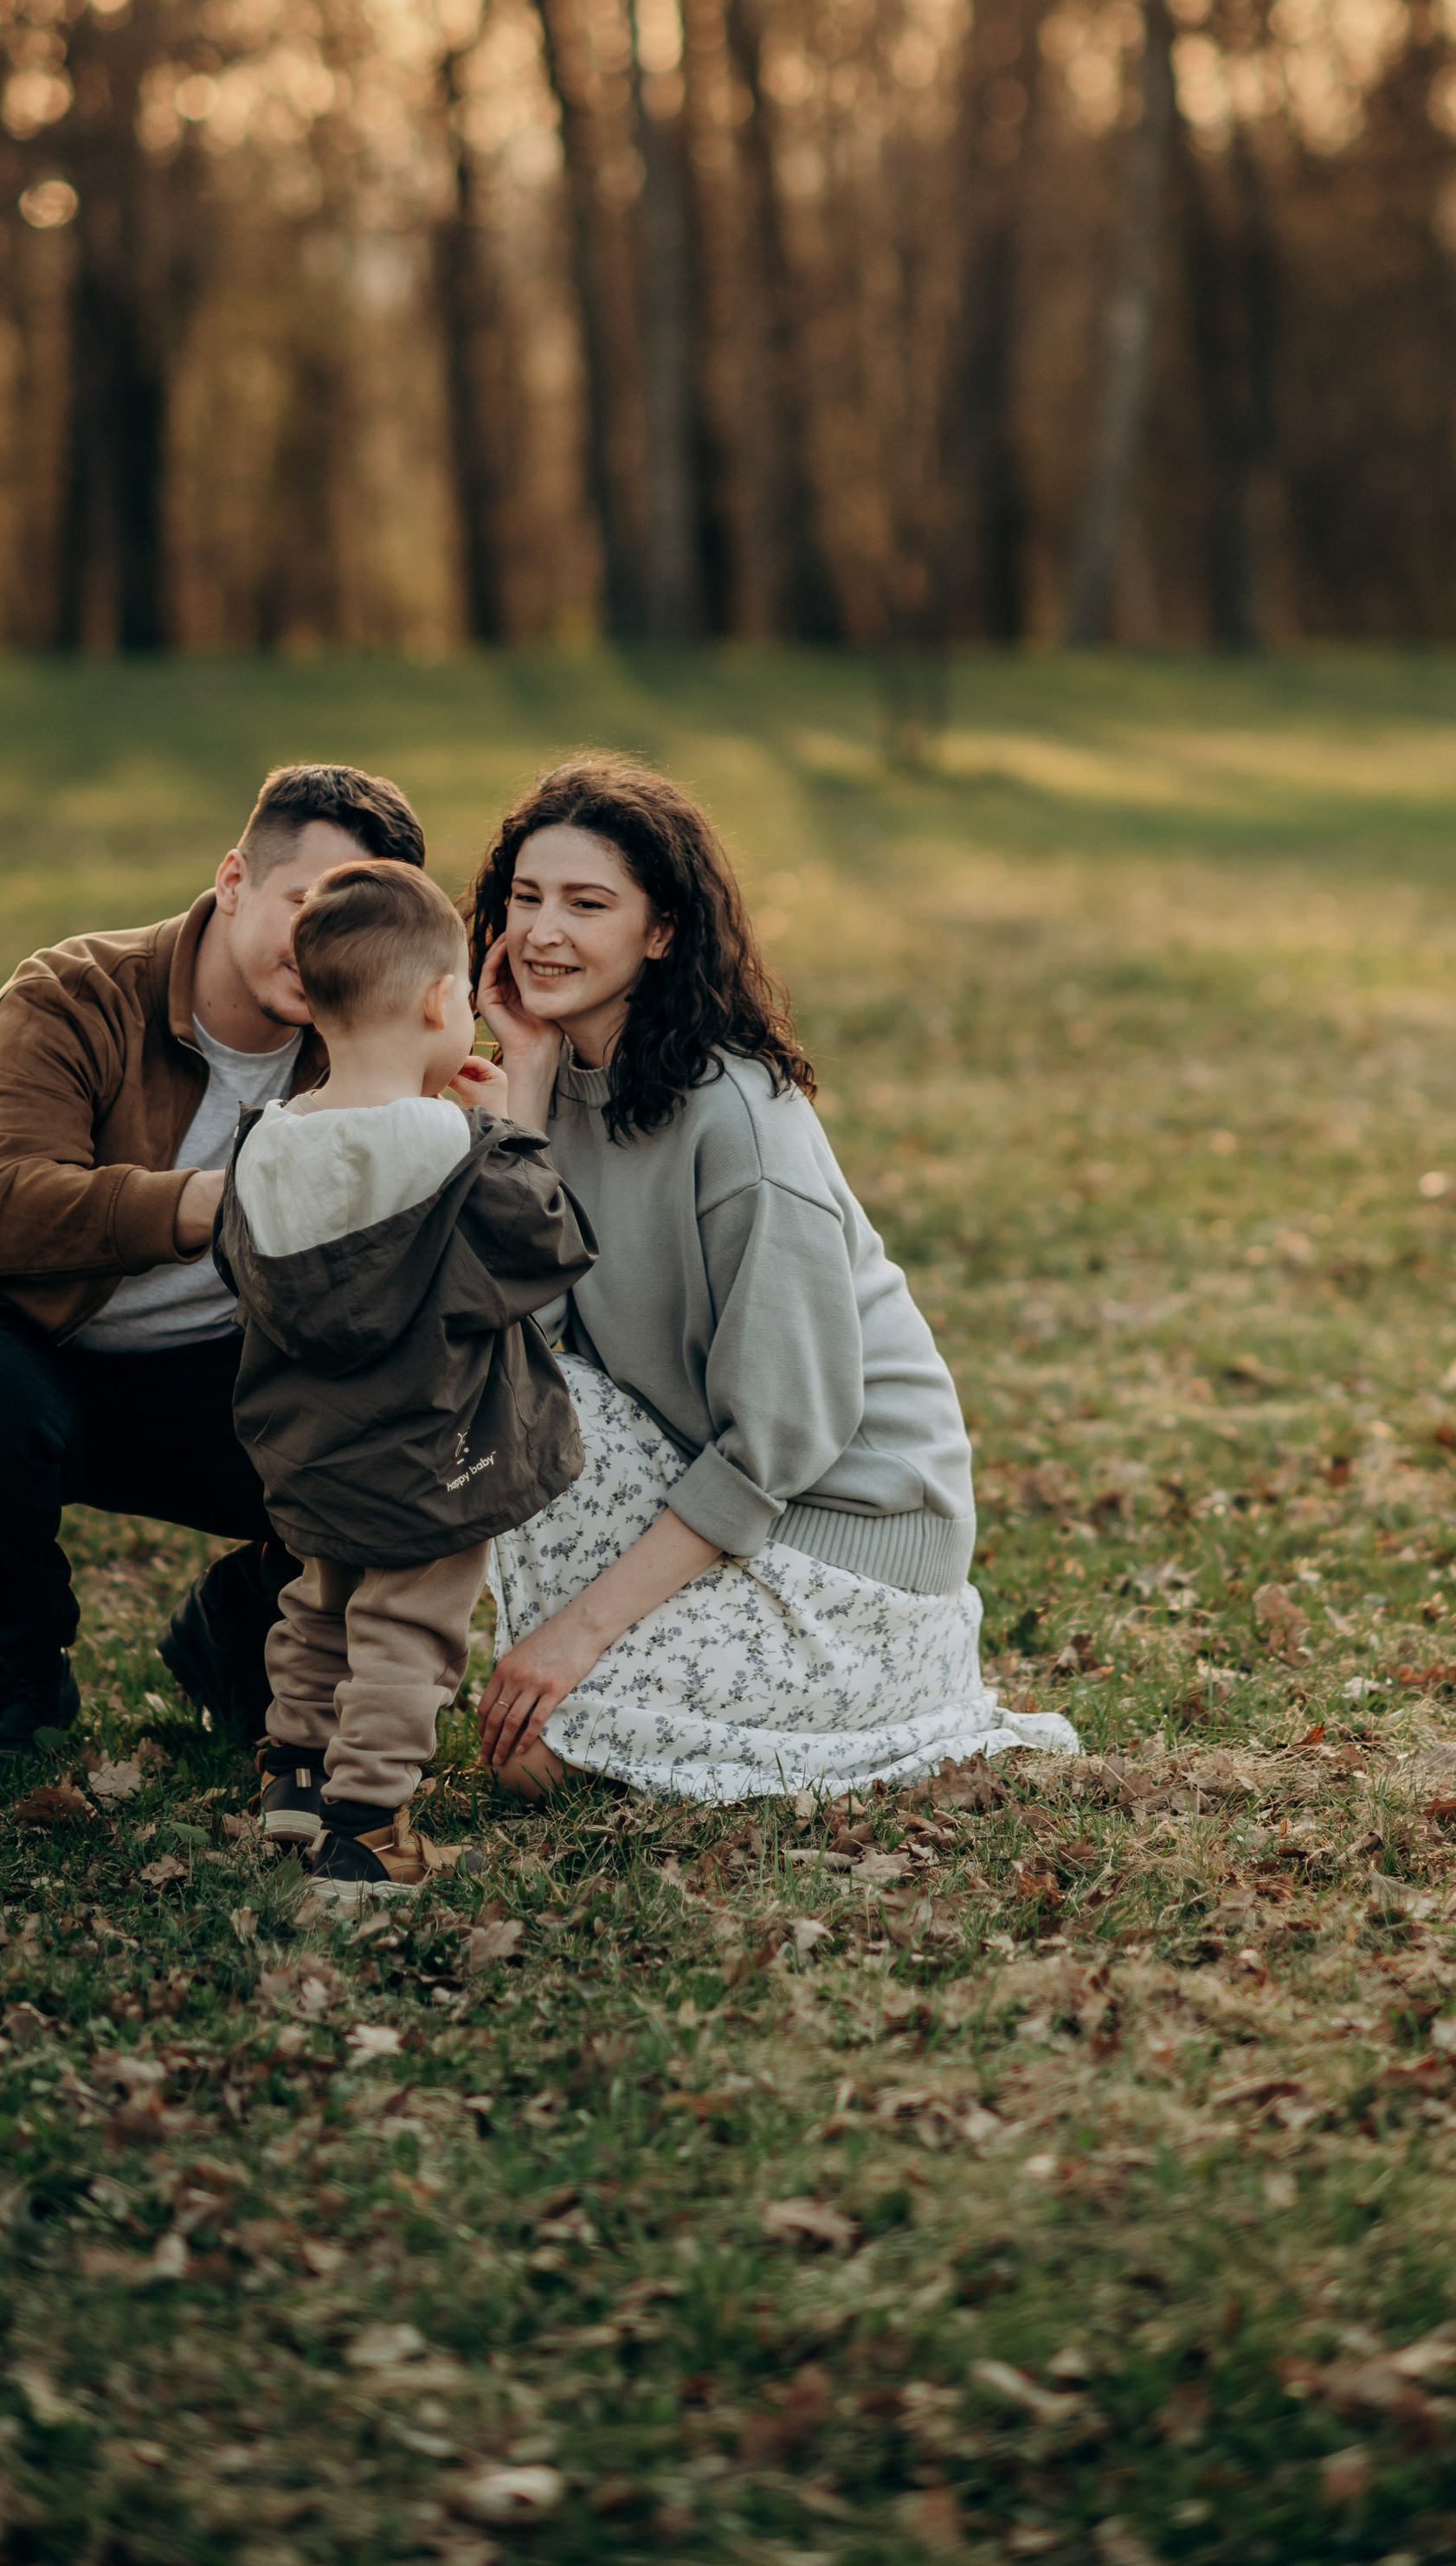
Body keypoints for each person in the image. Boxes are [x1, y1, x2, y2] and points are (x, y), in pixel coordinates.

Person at [459, 753, 1079, 1804]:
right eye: (525, 896)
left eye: (586, 902)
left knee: (538, 1751)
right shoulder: (552, 1078)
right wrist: (518, 1091)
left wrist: (579, 1633)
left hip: (850, 1546)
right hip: (702, 1479)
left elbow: (784, 1435)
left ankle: (912, 1705)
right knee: (497, 1380)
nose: (542, 932)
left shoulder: (737, 1117)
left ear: (660, 930)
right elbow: (531, 1324)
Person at [0, 762, 428, 1761]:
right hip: (22, 1337)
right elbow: (7, 1212)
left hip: (218, 1373)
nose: (325, 945)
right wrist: (219, 1195)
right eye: (305, 904)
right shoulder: (70, 993)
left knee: (419, 1428)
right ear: (236, 877)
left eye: (356, 920)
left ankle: (237, 1624)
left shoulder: (364, 1042)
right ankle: (25, 1665)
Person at [213, 857, 593, 1888]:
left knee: (320, 1601)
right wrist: (507, 1123)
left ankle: (292, 1778)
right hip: (434, 1453)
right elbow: (541, 1247)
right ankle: (367, 1828)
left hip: (308, 1454)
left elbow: (240, 1268)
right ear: (441, 1000)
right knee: (405, 1628)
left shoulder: (265, 1143)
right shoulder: (454, 1143)